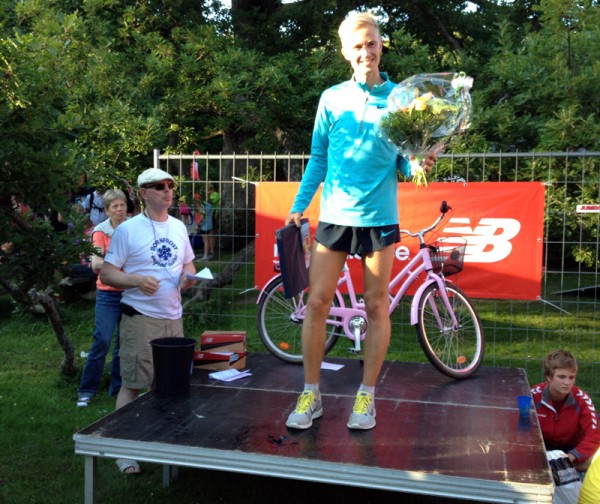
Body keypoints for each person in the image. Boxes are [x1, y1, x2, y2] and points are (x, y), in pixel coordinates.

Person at [284, 12, 436, 431]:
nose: (365, 52)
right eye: (357, 46)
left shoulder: (402, 99)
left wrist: (420, 159)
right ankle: (310, 393)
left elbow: (405, 163)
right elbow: (318, 157)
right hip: (334, 216)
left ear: (381, 44)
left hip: (379, 218)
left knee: (375, 305)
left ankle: (366, 397)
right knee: (316, 303)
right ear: (345, 52)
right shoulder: (331, 98)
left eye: (371, 43)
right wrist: (300, 204)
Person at [100, 168, 197, 474]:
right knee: (132, 383)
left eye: (171, 185)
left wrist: (188, 278)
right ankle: (122, 449)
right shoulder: (128, 230)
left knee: (167, 386)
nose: (168, 191)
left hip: (174, 318)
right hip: (141, 318)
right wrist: (137, 280)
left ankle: (159, 442)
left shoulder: (179, 227)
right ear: (143, 193)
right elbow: (107, 273)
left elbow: (188, 263)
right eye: (159, 187)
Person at [76, 189, 128, 407]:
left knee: (123, 344)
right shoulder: (100, 232)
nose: (119, 210)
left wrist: (111, 260)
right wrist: (121, 259)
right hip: (107, 293)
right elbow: (96, 264)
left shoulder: (132, 228)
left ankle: (117, 389)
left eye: (122, 205)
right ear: (106, 211)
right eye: (114, 206)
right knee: (103, 340)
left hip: (129, 292)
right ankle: (86, 390)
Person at [531, 350, 600, 472]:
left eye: (571, 377)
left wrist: (572, 456)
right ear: (549, 376)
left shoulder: (582, 399)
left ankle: (555, 469)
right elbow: (518, 428)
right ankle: (553, 469)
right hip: (541, 449)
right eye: (561, 377)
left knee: (596, 460)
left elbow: (594, 435)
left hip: (571, 451)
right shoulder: (533, 396)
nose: (567, 382)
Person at [198, 183, 219, 261]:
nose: (206, 191)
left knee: (209, 235)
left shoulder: (215, 195)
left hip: (212, 216)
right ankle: (207, 252)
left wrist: (202, 202)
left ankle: (210, 252)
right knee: (208, 235)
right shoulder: (206, 200)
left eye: (208, 189)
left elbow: (209, 204)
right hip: (208, 216)